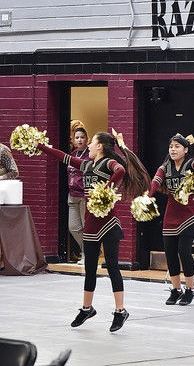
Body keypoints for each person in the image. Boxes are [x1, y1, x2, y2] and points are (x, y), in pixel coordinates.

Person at [37, 131, 150, 332]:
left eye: (91, 143)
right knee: (90, 269)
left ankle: (120, 311)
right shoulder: (87, 165)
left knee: (112, 267)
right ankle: (87, 308)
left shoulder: (107, 163)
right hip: (91, 224)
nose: (87, 146)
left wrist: (106, 189)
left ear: (100, 146)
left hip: (108, 224)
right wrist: (41, 147)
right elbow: (64, 157)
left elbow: (121, 171)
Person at [149, 134, 194, 306]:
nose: (173, 149)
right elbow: (155, 181)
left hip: (189, 214)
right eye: (171, 147)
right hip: (171, 214)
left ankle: (190, 289)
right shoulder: (165, 166)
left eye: (177, 146)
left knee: (184, 251)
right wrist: (147, 196)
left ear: (186, 149)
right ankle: (176, 290)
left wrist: (192, 180)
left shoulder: (191, 164)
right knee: (170, 252)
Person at [68, 127, 89, 264]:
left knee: (85, 226)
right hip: (72, 195)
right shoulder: (73, 154)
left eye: (82, 137)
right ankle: (90, 250)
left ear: (87, 138)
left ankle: (86, 255)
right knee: (73, 227)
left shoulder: (90, 155)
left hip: (84, 196)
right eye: (77, 137)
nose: (79, 140)